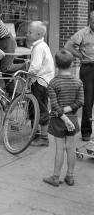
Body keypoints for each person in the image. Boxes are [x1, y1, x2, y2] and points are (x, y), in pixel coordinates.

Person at [43, 49, 84, 187]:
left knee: (59, 148)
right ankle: (70, 177)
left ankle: (55, 177)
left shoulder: (53, 83)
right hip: (72, 119)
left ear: (55, 64)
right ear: (72, 64)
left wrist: (63, 117)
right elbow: (80, 101)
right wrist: (68, 114)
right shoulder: (78, 82)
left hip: (58, 121)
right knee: (71, 148)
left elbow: (54, 105)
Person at [65, 11, 94, 141]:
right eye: (93, 21)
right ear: (89, 21)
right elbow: (68, 46)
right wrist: (79, 55)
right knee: (87, 101)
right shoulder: (82, 33)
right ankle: (86, 132)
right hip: (88, 68)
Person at [27, 21, 55, 147]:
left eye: (30, 32)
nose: (27, 34)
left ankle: (44, 137)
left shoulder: (38, 48)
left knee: (41, 108)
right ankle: (37, 133)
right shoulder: (41, 45)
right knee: (35, 107)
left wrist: (27, 74)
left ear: (38, 34)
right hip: (43, 81)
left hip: (40, 82)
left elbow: (35, 67)